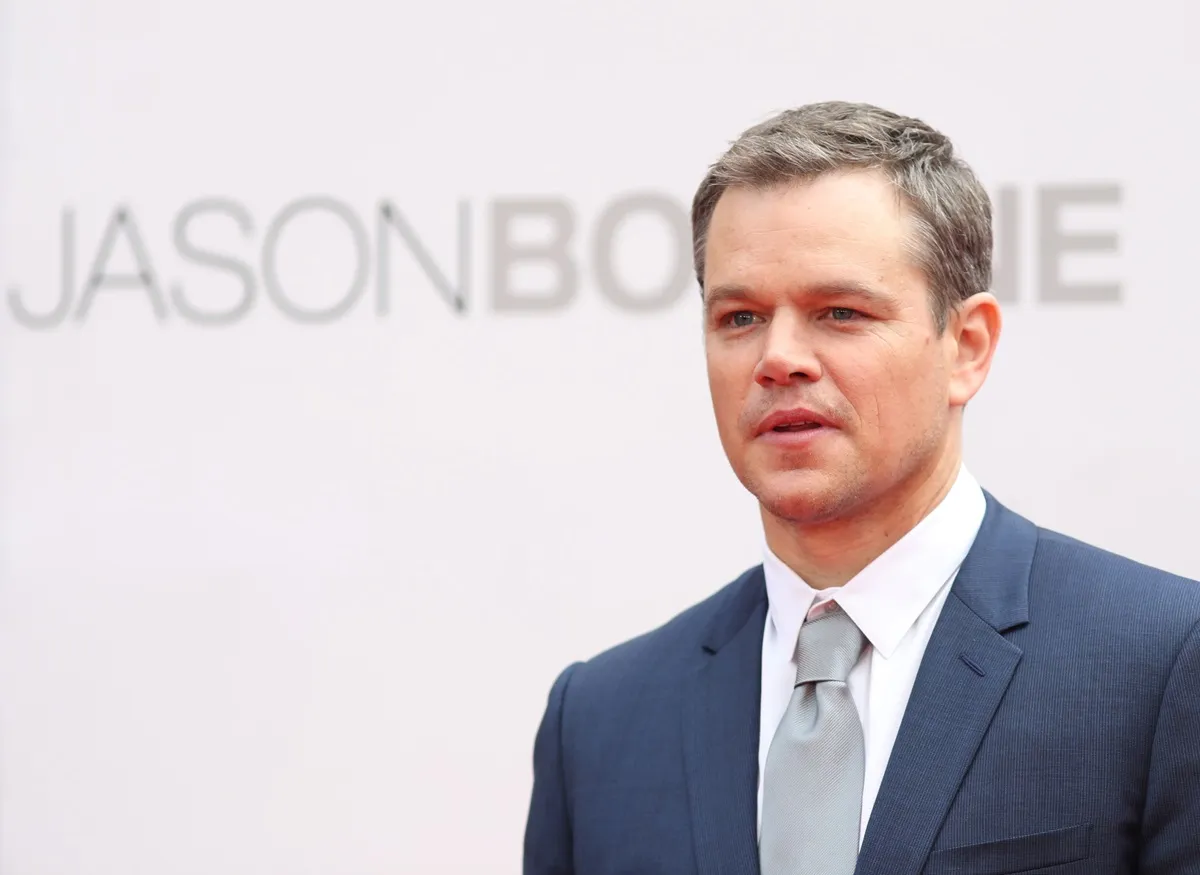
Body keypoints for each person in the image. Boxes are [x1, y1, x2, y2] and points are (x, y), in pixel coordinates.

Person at [521, 101, 1200, 875]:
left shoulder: (1162, 664)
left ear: (967, 347)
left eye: (839, 312)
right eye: (740, 317)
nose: (778, 358)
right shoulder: (602, 719)